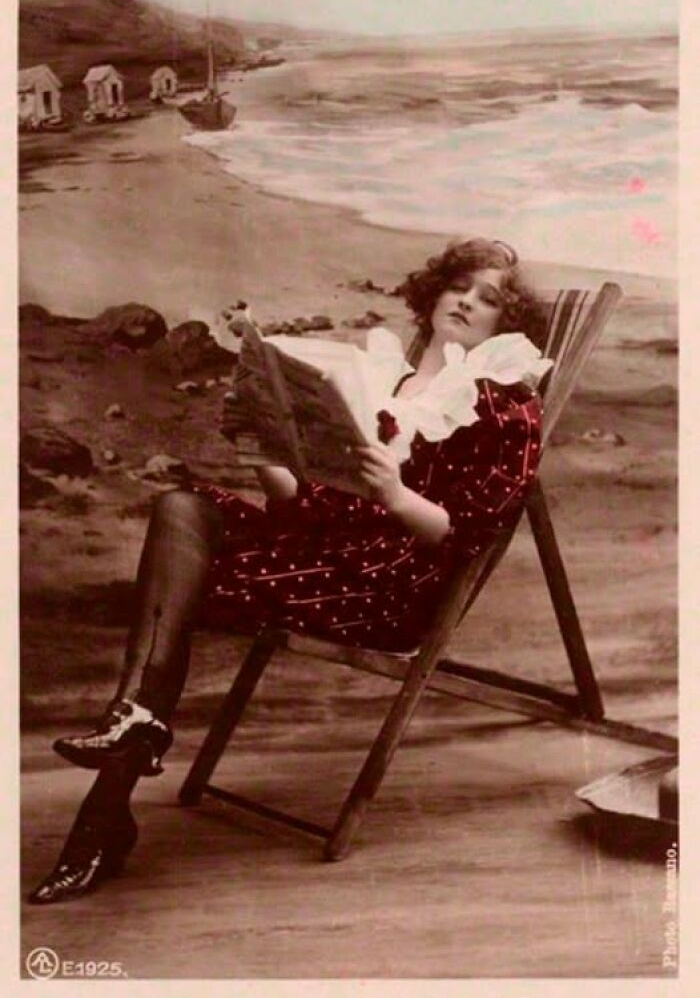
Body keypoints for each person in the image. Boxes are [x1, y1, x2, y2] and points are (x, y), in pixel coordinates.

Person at [28, 237, 549, 905]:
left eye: (490, 299)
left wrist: (395, 495)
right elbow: (302, 503)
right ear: (434, 293)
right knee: (180, 508)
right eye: (461, 287)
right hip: (322, 547)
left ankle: (103, 813)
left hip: (388, 582)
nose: (468, 301)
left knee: (177, 587)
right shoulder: (380, 376)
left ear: (506, 325)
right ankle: (131, 729)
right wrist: (260, 444)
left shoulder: (500, 403)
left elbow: (468, 533)